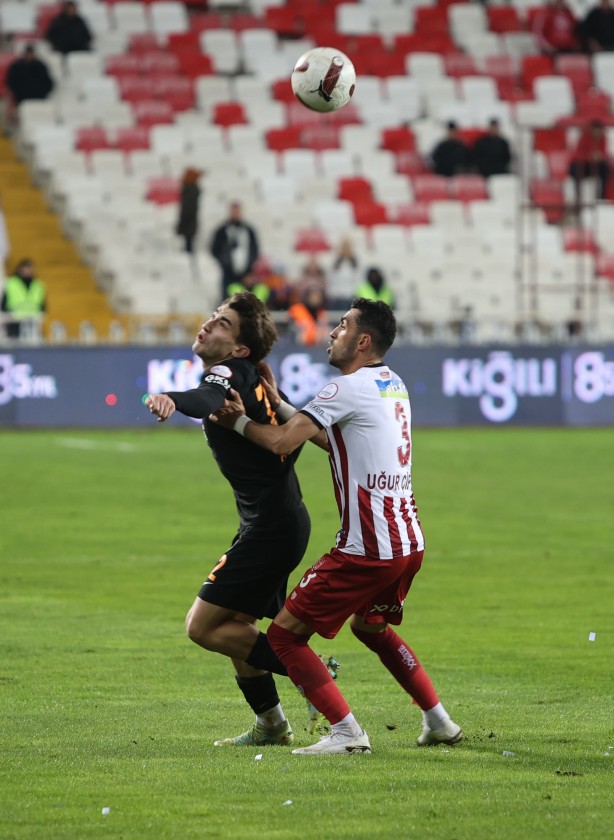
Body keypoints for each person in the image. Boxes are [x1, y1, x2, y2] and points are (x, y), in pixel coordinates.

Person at [212, 299, 463, 755]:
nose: (332, 332)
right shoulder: (392, 383)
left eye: (343, 326)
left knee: (285, 636)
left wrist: (239, 420)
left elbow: (283, 443)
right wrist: (284, 403)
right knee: (371, 629)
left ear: (363, 341)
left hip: (366, 549)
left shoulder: (344, 388)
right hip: (408, 540)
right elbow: (334, 442)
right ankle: (439, 721)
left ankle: (347, 733)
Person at [144, 292, 325, 748]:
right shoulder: (254, 377)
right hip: (275, 521)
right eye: (212, 317)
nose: (208, 325)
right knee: (235, 628)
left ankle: (310, 671)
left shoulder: (229, 373)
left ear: (239, 348)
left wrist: (171, 397)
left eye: (222, 324)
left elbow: (208, 395)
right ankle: (271, 725)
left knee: (202, 627)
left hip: (271, 527)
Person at [210, 202, 260, 300]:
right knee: (228, 302)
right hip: (228, 274)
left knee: (245, 303)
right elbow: (214, 249)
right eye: (233, 211)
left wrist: (250, 267)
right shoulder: (222, 230)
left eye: (237, 211)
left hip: (246, 274)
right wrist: (224, 262)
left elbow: (255, 250)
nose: (235, 214)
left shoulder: (248, 230)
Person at [1, 259, 46, 340]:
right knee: (15, 342)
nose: (28, 271)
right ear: (20, 269)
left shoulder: (38, 284)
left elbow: (43, 304)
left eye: (30, 268)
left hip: (33, 320)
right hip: (14, 320)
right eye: (26, 268)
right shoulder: (11, 283)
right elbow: (4, 303)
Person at [568, 119, 610, 202]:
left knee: (605, 169)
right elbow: (578, 155)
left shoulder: (603, 138)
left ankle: (601, 198)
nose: (598, 133)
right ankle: (578, 199)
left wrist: (600, 156)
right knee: (577, 170)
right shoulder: (584, 138)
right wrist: (590, 156)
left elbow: (604, 153)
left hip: (594, 165)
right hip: (581, 164)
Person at [175, 168, 203, 254]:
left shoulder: (189, 191)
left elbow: (187, 210)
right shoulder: (192, 191)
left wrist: (181, 225)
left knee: (188, 248)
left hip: (188, 223)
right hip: (191, 223)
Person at [329, 237, 360, 310]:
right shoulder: (336, 263)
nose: (346, 249)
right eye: (344, 247)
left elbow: (358, 280)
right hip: (338, 298)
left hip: (351, 297)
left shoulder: (355, 262)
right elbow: (332, 280)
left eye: (347, 247)